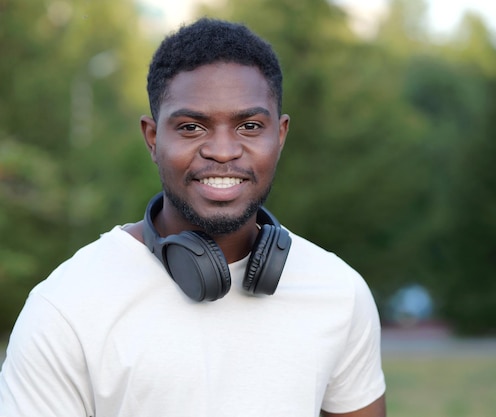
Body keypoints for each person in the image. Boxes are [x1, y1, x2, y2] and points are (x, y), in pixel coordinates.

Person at [0, 18, 386, 417]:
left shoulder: (339, 293)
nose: (222, 151)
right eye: (191, 127)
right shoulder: (65, 308)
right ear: (153, 138)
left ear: (281, 135)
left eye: (250, 126)